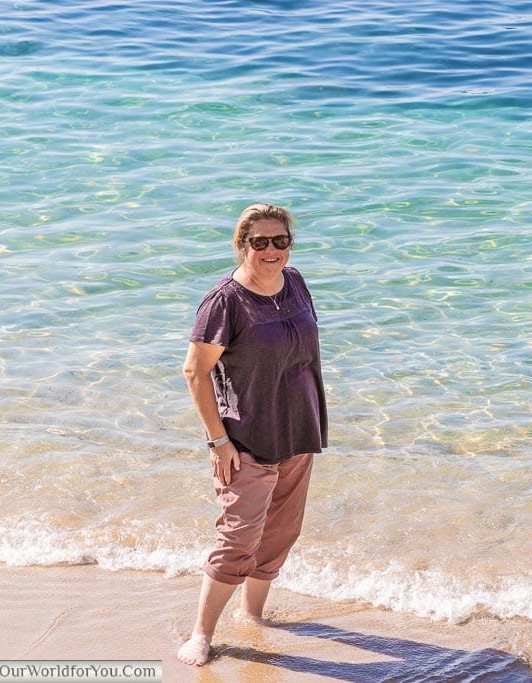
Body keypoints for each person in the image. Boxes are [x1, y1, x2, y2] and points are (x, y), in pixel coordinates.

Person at [177, 203, 328, 666]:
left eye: (279, 241)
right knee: (238, 539)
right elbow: (195, 372)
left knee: (281, 533)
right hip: (246, 442)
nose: (270, 250)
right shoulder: (225, 301)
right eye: (259, 242)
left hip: (297, 431)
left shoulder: (296, 283)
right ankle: (201, 635)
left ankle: (253, 617)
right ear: (242, 245)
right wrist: (219, 441)